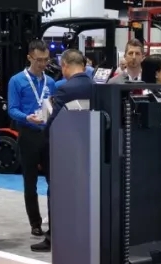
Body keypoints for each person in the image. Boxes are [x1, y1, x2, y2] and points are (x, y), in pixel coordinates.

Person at [33, 49, 94, 253]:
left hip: (63, 152)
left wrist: (43, 149)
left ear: (65, 65)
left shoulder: (65, 90)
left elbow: (54, 123)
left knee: (57, 195)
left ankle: (54, 238)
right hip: (88, 149)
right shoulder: (96, 87)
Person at [7, 40, 57, 239]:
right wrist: (26, 117)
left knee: (54, 180)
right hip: (28, 134)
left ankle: (55, 220)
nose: (43, 64)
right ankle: (35, 223)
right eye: (38, 60)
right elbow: (12, 109)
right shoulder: (17, 81)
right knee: (30, 181)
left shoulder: (50, 82)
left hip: (48, 135)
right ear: (29, 57)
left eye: (46, 60)